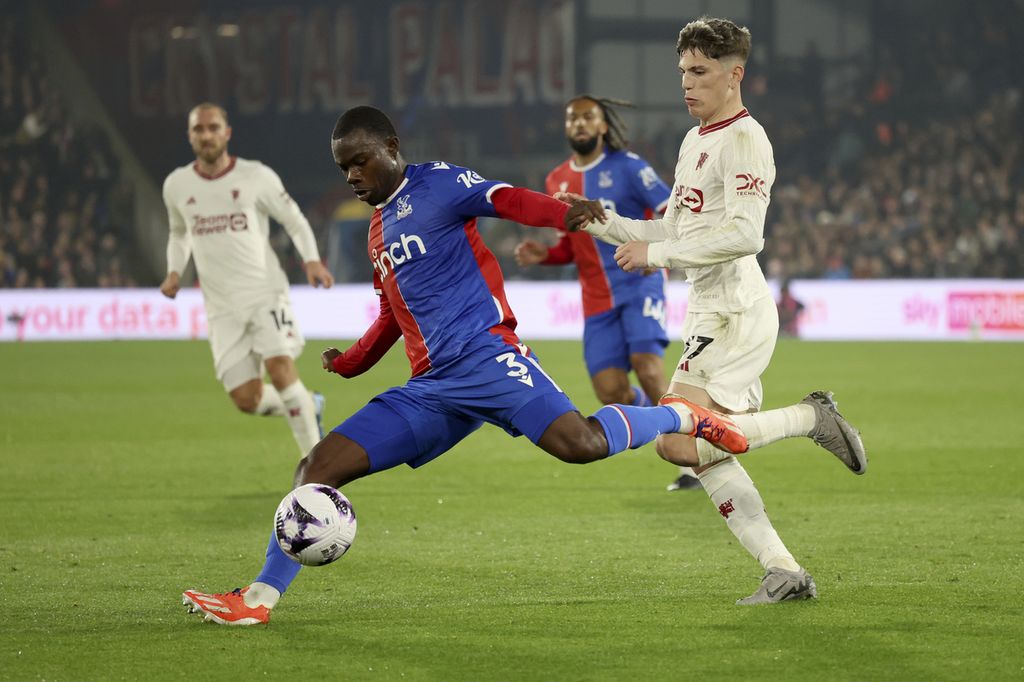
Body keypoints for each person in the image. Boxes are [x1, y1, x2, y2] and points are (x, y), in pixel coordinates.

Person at [180, 105, 806, 625]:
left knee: (581, 444)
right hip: (431, 390)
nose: (352, 175)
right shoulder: (376, 233)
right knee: (315, 468)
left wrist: (564, 212)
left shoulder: (436, 183)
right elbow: (392, 314)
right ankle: (258, 600)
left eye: (359, 160)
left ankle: (681, 417)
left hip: (488, 359)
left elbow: (505, 199)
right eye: (343, 167)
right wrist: (351, 362)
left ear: (391, 148)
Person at [558, 17, 867, 604]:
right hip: (707, 311)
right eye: (683, 72)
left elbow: (746, 234)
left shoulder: (747, 141)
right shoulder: (695, 139)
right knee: (687, 449)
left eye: (699, 72)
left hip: (737, 310)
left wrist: (660, 255)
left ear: (734, 74)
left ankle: (810, 417)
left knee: (682, 441)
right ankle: (784, 569)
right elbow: (672, 227)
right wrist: (598, 219)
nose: (686, 84)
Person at [514, 95, 701, 492]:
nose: (579, 124)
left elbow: (672, 211)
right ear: (566, 128)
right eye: (572, 119)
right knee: (610, 391)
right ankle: (664, 415)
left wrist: (659, 252)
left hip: (639, 280)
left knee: (648, 367)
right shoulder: (555, 181)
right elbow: (571, 245)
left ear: (602, 126)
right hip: (596, 298)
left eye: (588, 118)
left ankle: (691, 461)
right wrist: (545, 255)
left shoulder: (630, 168)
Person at [160, 103, 334, 457]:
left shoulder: (256, 176)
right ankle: (307, 404)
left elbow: (294, 219)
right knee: (246, 398)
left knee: (281, 368)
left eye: (213, 128)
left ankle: (314, 466)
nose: (206, 135)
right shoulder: (177, 185)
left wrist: (312, 260)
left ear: (227, 133)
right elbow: (179, 233)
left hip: (263, 291)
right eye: (199, 129)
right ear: (190, 135)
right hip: (221, 305)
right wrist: (175, 271)